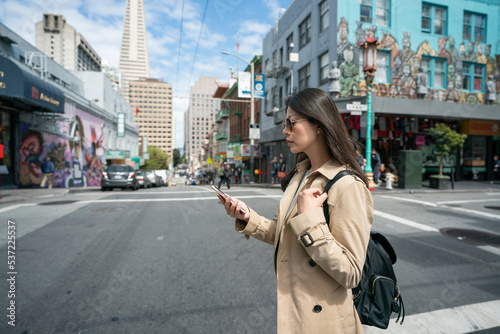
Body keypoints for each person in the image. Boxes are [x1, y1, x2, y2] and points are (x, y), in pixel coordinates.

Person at [216, 88, 373, 333]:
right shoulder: (299, 175)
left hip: (325, 322)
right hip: (295, 311)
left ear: (319, 124)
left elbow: (351, 272)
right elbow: (284, 235)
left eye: (292, 123)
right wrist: (248, 218)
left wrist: (310, 220)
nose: (285, 130)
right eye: (283, 123)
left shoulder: (347, 185)